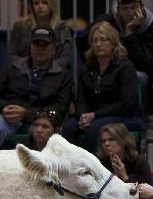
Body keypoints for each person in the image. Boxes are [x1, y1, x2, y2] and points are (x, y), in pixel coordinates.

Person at [0, 25, 72, 152]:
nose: (40, 48)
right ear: (30, 46)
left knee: (59, 129)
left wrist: (28, 114)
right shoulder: (13, 68)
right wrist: (3, 108)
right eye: (36, 44)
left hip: (45, 121)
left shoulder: (63, 74)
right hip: (10, 118)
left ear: (54, 48)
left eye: (44, 45)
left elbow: (59, 110)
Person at [60, 21, 140, 152]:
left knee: (96, 128)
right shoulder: (88, 67)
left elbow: (127, 104)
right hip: (94, 116)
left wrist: (95, 115)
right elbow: (80, 99)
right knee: (68, 127)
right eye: (94, 40)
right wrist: (83, 117)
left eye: (103, 40)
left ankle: (96, 168)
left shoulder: (125, 67)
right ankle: (71, 168)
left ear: (113, 42)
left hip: (124, 116)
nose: (98, 44)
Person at [91, 0, 153, 88]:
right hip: (112, 69)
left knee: (137, 77)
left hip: (142, 73)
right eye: (124, 9)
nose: (130, 13)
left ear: (142, 7)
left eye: (134, 7)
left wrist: (129, 33)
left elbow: (144, 65)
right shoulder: (109, 24)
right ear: (118, 10)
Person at [89, 123, 151, 199]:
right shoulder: (99, 163)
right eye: (104, 141)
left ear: (123, 141)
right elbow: (94, 191)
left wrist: (124, 177)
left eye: (111, 140)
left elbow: (146, 192)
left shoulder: (139, 162)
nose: (106, 144)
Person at [7, 0, 74, 70]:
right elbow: (11, 56)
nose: (40, 6)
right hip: (23, 73)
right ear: (31, 6)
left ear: (52, 4)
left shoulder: (62, 28)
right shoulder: (20, 26)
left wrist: (46, 69)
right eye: (36, 3)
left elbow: (66, 58)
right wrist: (31, 67)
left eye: (45, 2)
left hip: (54, 74)